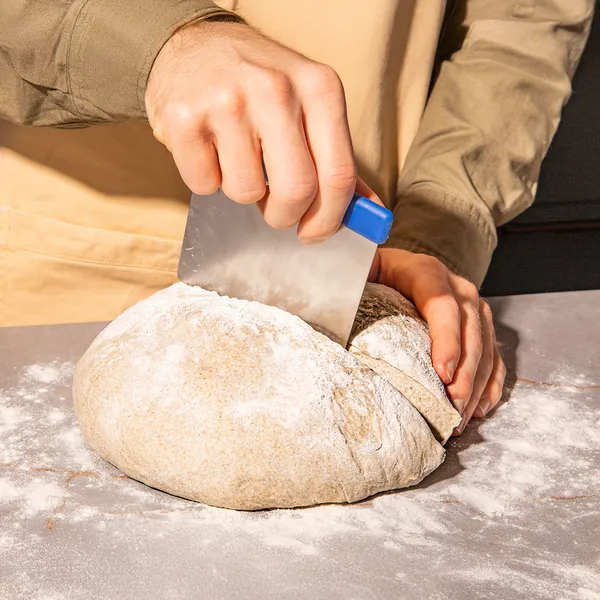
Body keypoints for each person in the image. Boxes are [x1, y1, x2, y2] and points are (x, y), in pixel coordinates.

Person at [0, 1, 594, 435]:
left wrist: (434, 230)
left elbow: (520, 24)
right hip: (47, 292)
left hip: (353, 275)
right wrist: (153, 41)